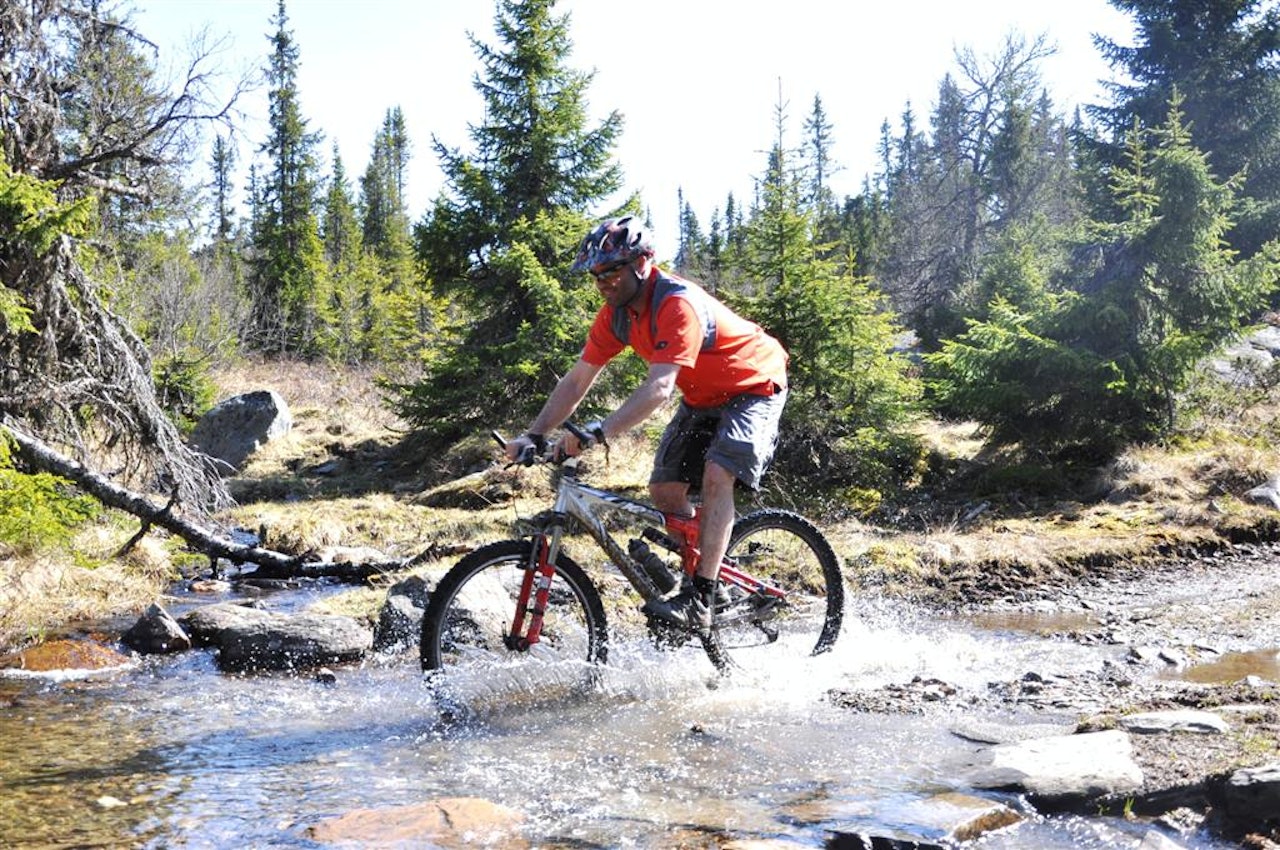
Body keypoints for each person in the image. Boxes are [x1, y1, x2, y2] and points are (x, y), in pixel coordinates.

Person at [504, 216, 789, 632]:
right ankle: (714, 573)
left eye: (612, 271)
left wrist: (597, 433)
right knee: (664, 491)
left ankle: (701, 594)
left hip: (754, 383)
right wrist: (534, 433)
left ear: (642, 264)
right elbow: (578, 378)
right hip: (703, 396)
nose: (603, 282)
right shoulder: (616, 315)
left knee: (717, 474)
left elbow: (659, 389)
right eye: (596, 274)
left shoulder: (677, 304)